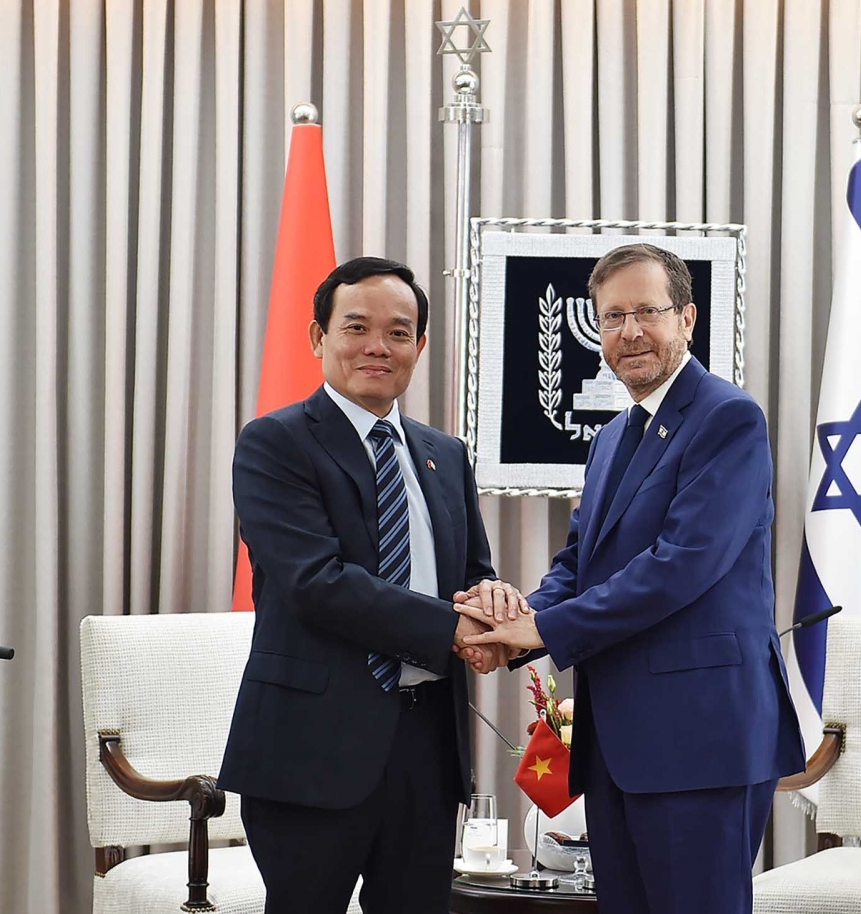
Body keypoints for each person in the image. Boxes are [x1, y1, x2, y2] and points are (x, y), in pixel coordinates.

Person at [456, 243, 806, 914]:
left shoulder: (728, 419)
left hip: (702, 740)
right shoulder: (613, 437)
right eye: (612, 317)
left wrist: (539, 628)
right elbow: (579, 564)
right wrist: (510, 628)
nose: (630, 332)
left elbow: (681, 567)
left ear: (687, 319)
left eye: (647, 311)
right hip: (619, 743)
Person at [219, 256, 519, 914]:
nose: (378, 346)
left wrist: (495, 603)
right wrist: (456, 628)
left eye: (399, 332)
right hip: (309, 749)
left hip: (427, 750)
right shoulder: (275, 444)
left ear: (420, 345)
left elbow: (471, 573)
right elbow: (316, 584)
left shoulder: (447, 455)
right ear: (318, 337)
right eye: (356, 327)